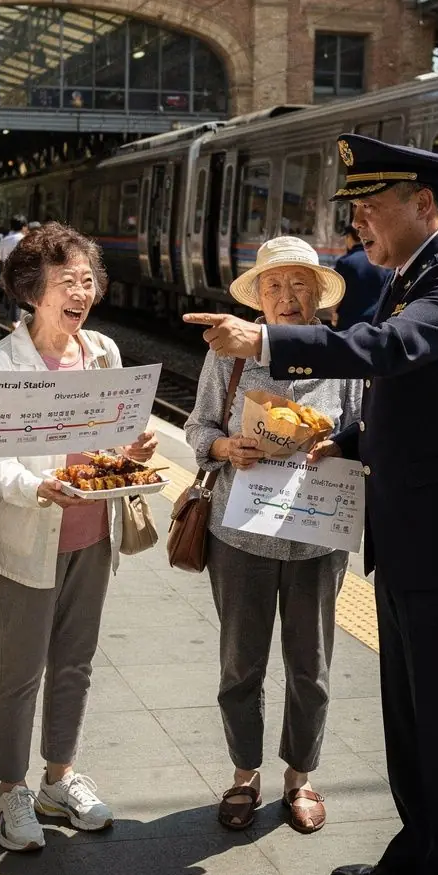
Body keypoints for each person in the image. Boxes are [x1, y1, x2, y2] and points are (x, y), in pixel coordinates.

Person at [184, 135, 438, 875]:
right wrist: (343, 434)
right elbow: (404, 397)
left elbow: (387, 353)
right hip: (410, 527)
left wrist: (264, 342)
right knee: (411, 717)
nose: (361, 223)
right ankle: (418, 854)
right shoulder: (412, 279)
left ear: (425, 204)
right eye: (357, 211)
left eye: (373, 208)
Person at [0, 223, 157, 850]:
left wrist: (130, 448)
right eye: (66, 282)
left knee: (76, 663)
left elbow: (109, 438)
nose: (80, 293)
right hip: (27, 534)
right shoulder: (2, 362)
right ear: (32, 291)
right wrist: (36, 488)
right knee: (21, 668)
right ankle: (9, 792)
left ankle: (58, 776)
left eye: (88, 281)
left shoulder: (102, 353)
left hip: (90, 530)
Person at [185, 238, 360, 834]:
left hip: (317, 539)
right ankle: (244, 773)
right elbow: (198, 426)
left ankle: (300, 776)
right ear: (259, 296)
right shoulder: (230, 355)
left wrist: (338, 443)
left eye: (299, 285)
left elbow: (363, 430)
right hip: (241, 537)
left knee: (310, 665)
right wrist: (225, 446)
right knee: (241, 664)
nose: (287, 298)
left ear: (318, 293)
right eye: (274, 287)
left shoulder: (341, 355)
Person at [333, 224, 389, 329]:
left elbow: (337, 295)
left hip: (348, 323)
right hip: (374, 323)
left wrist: (333, 313)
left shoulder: (345, 262)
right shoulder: (383, 263)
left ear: (349, 237)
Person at [0, 215, 28, 324]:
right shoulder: (25, 240)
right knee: (18, 303)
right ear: (24, 227)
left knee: (9, 300)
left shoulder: (4, 240)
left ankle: (8, 321)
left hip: (6, 273)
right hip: (22, 273)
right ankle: (15, 323)